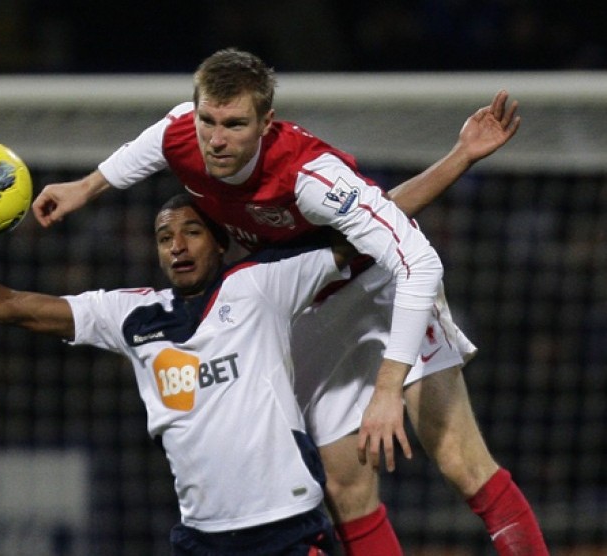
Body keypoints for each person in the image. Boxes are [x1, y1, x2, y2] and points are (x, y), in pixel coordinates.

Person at [30, 48, 548, 555]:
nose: (215, 139)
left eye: (233, 125)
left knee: (459, 460)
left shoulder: (311, 175)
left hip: (385, 291)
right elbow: (149, 145)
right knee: (344, 490)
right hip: (313, 306)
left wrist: (387, 390)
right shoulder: (181, 135)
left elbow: (418, 261)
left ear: (266, 122)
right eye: (207, 120)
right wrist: (85, 186)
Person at [0, 194, 355, 555]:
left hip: (288, 526)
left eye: (193, 232)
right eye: (165, 236)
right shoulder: (131, 314)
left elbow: (375, 227)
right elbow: (9, 305)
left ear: (221, 242)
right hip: (203, 538)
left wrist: (443, 165)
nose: (178, 245)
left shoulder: (260, 287)